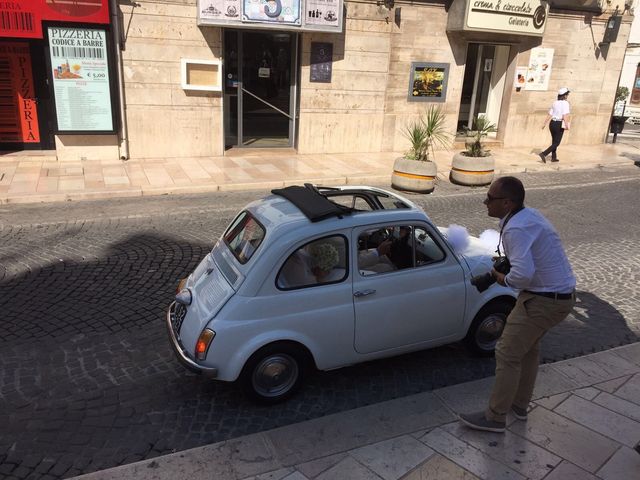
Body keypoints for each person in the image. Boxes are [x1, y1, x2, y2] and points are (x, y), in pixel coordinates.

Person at [459, 176, 576, 433]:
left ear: (507, 203)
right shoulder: (527, 216)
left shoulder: (516, 229)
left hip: (543, 299)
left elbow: (522, 275)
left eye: (490, 198)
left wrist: (501, 277)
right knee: (529, 349)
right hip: (558, 296)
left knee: (507, 353)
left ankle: (495, 417)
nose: (485, 202)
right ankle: (519, 406)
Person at [539, 87, 571, 163]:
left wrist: (544, 123)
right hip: (559, 124)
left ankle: (554, 157)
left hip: (552, 123)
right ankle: (544, 153)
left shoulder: (555, 102)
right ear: (565, 95)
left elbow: (550, 114)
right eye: (567, 94)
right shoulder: (566, 103)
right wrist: (566, 125)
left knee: (554, 141)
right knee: (557, 143)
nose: (567, 96)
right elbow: (565, 115)